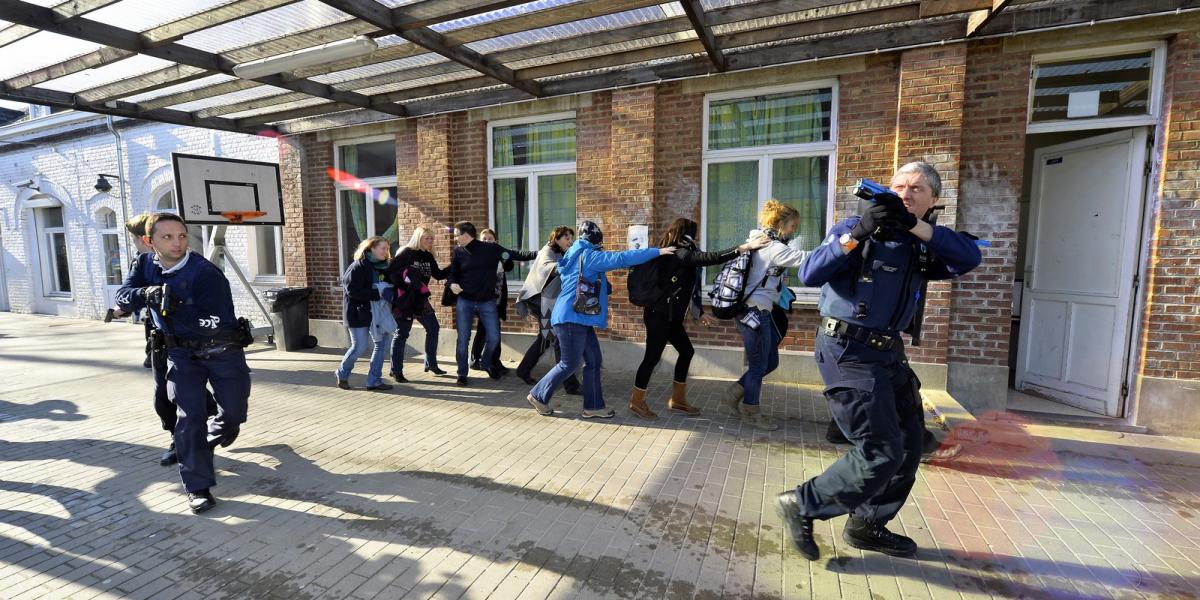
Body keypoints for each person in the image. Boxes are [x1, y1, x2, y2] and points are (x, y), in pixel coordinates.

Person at [776, 161, 982, 561]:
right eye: (900, 186)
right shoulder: (857, 227)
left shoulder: (924, 241)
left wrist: (914, 227)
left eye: (917, 189)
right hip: (847, 348)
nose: (906, 193)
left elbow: (968, 257)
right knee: (880, 449)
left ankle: (868, 525)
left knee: (908, 445)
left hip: (888, 351)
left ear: (933, 199)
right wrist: (858, 232)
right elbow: (811, 271)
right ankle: (803, 504)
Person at [115, 212, 251, 515]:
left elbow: (217, 320)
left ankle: (208, 438)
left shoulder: (205, 273)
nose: (177, 243)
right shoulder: (144, 264)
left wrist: (178, 307)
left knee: (233, 414)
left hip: (221, 352)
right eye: (167, 237)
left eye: (182, 236)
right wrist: (147, 293)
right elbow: (123, 296)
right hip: (181, 356)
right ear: (150, 242)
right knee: (188, 418)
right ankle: (197, 486)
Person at [526, 220, 674, 418]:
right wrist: (657, 252)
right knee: (569, 364)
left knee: (594, 361)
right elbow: (621, 258)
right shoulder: (589, 256)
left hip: (581, 317)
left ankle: (593, 407)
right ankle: (538, 395)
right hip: (571, 317)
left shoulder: (575, 253)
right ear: (595, 240)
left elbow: (593, 281)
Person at [629, 219, 769, 419]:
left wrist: (699, 313)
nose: (695, 238)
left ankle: (677, 400)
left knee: (686, 351)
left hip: (671, 318)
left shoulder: (681, 252)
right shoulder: (678, 252)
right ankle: (636, 400)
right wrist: (745, 247)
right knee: (652, 358)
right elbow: (710, 257)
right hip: (658, 316)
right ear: (688, 234)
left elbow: (685, 288)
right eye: (693, 234)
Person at [109, 213, 217, 467]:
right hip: (161, 340)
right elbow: (128, 293)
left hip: (191, 339)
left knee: (184, 395)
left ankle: (194, 438)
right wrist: (133, 302)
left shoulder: (191, 265)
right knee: (164, 397)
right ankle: (179, 435)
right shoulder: (145, 262)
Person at [721, 200, 811, 431]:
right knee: (760, 364)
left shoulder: (763, 241)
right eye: (792, 225)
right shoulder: (773, 247)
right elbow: (804, 258)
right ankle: (751, 411)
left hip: (757, 310)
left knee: (769, 361)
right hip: (754, 311)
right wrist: (838, 248)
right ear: (781, 223)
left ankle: (734, 394)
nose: (794, 230)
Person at [446, 221, 536, 386]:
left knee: (494, 338)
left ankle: (486, 362)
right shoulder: (459, 252)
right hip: (465, 301)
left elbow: (515, 255)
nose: (455, 239)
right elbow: (453, 273)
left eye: (456, 235)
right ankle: (462, 374)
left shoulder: (491, 249)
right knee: (463, 339)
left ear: (466, 235)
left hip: (487, 302)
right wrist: (452, 283)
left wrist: (539, 253)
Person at [514, 226, 581, 395]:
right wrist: (567, 265)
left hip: (547, 300)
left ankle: (523, 370)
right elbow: (547, 267)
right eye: (566, 238)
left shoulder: (561, 251)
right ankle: (569, 384)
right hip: (539, 300)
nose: (570, 241)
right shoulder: (548, 250)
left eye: (571, 238)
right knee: (557, 338)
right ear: (556, 238)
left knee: (547, 338)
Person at [386, 226, 447, 382]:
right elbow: (391, 273)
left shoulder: (428, 256)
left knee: (433, 328)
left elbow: (438, 275)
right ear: (418, 238)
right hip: (404, 300)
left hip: (420, 300)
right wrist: (407, 286)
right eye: (427, 238)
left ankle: (431, 364)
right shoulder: (406, 252)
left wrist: (456, 266)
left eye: (432, 238)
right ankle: (396, 370)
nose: (430, 241)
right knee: (402, 334)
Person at [336, 236, 397, 391]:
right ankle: (342, 373)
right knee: (359, 346)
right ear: (372, 249)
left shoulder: (384, 267)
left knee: (382, 344)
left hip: (378, 313)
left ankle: (374, 381)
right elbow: (352, 291)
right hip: (358, 313)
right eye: (383, 248)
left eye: (387, 248)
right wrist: (377, 293)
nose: (386, 251)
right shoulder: (358, 266)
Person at [469, 228, 513, 376]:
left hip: (497, 300)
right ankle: (480, 359)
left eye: (490, 239)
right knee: (486, 331)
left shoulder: (498, 255)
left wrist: (505, 255)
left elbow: (509, 266)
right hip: (483, 300)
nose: (487, 241)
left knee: (490, 331)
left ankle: (488, 359)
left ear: (495, 241)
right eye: (484, 239)